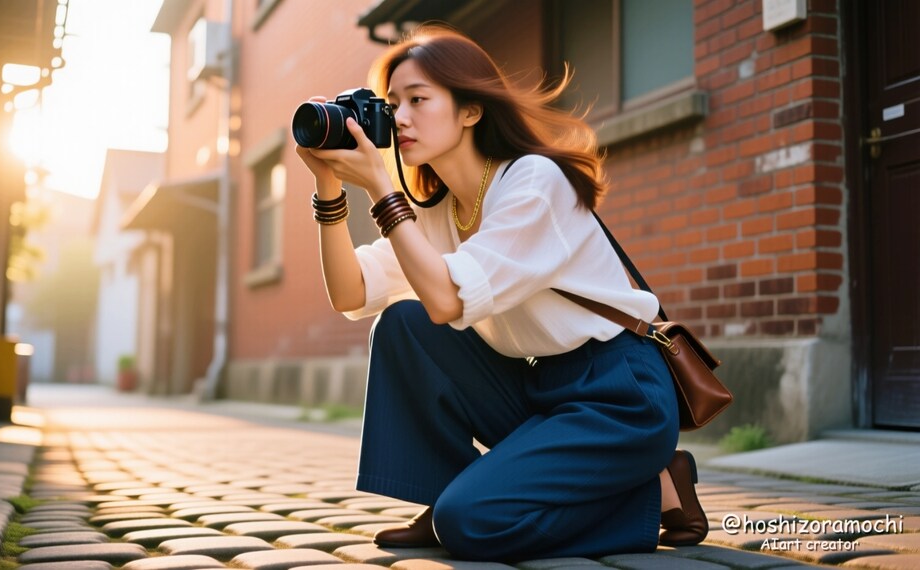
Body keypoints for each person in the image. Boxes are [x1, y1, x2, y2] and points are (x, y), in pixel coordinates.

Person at [294, 25, 707, 562]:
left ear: (471, 110)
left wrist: (379, 186)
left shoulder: (534, 181)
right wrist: (329, 188)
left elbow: (446, 302)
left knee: (472, 524)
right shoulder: (436, 211)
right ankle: (447, 493)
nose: (399, 118)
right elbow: (350, 294)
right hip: (540, 388)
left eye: (418, 100)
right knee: (401, 325)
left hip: (618, 395)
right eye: (392, 104)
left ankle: (653, 491)